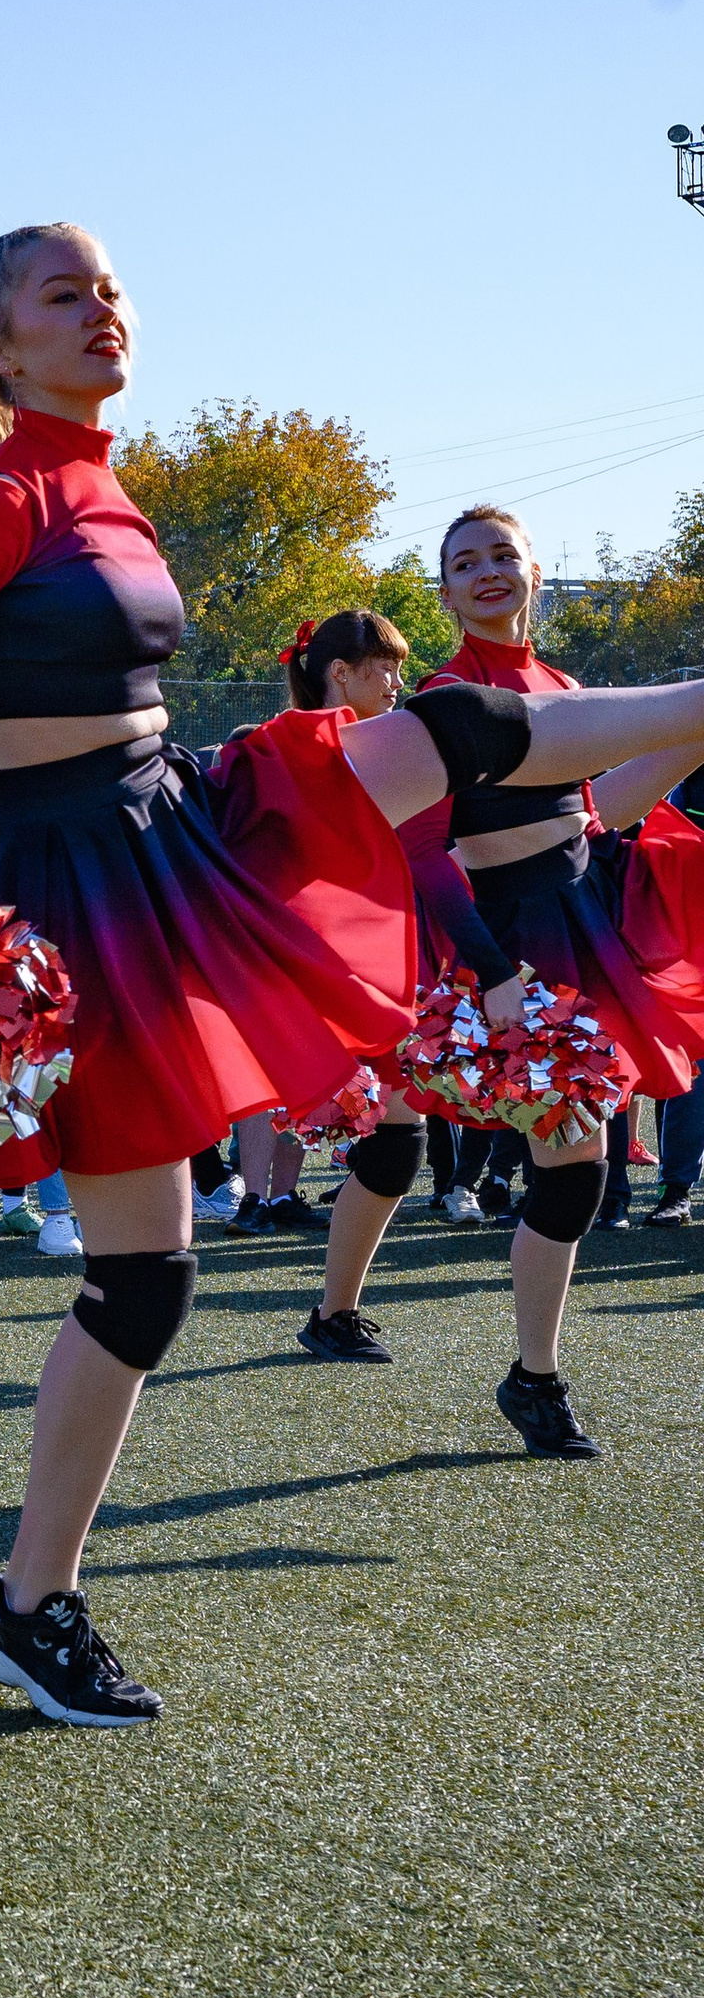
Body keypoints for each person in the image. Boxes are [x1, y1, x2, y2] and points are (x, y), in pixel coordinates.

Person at [0, 222, 704, 1725]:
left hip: (173, 827)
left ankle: (28, 1608)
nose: (99, 307)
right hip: (73, 887)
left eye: (110, 286)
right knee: (146, 1279)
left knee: (454, 733)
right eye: (61, 293)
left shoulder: (103, 482)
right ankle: (29, 1608)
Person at [339, 515, 704, 1445]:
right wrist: (497, 973)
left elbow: (594, 818)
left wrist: (689, 738)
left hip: (580, 919)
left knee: (579, 1163)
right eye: (465, 565)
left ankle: (531, 1376)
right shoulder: (446, 693)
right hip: (503, 938)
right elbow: (422, 851)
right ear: (447, 594)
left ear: (535, 569)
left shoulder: (561, 685)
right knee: (524, 1154)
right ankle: (526, 1375)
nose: (487, 572)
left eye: (502, 555)